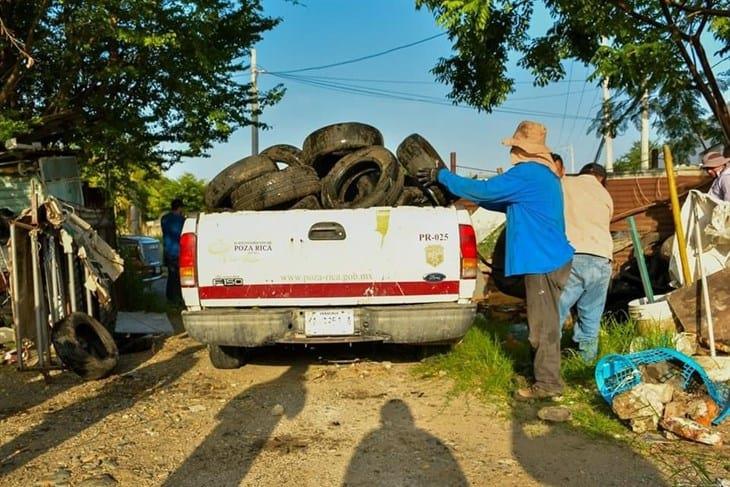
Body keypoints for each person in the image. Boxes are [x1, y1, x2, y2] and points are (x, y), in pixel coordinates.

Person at [417, 120, 574, 400]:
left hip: (542, 261)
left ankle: (548, 384)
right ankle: (539, 372)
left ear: (521, 149)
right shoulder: (542, 175)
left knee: (543, 326)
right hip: (547, 258)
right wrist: (463, 190)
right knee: (541, 320)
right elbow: (496, 200)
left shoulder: (529, 174)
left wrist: (443, 176)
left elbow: (488, 191)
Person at [559, 163, 614, 362]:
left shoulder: (565, 184)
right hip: (602, 258)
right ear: (602, 178)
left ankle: (547, 365)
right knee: (591, 316)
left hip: (573, 254)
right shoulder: (605, 195)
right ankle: (585, 365)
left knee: (556, 311)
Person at [161, 198, 185, 305]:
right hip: (178, 251)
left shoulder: (164, 219)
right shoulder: (181, 220)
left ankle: (170, 298)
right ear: (180, 208)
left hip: (168, 250)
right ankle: (179, 298)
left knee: (171, 275)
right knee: (179, 276)